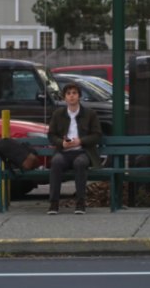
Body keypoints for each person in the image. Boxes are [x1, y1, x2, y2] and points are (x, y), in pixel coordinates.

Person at [47, 82, 102, 215]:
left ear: (79, 96)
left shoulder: (90, 114)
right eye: (68, 93)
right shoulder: (58, 114)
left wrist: (80, 141)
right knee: (56, 162)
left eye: (74, 93)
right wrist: (62, 143)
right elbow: (51, 135)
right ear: (65, 97)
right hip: (64, 151)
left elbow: (97, 135)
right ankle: (53, 204)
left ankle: (80, 204)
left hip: (83, 151)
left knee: (80, 163)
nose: (71, 96)